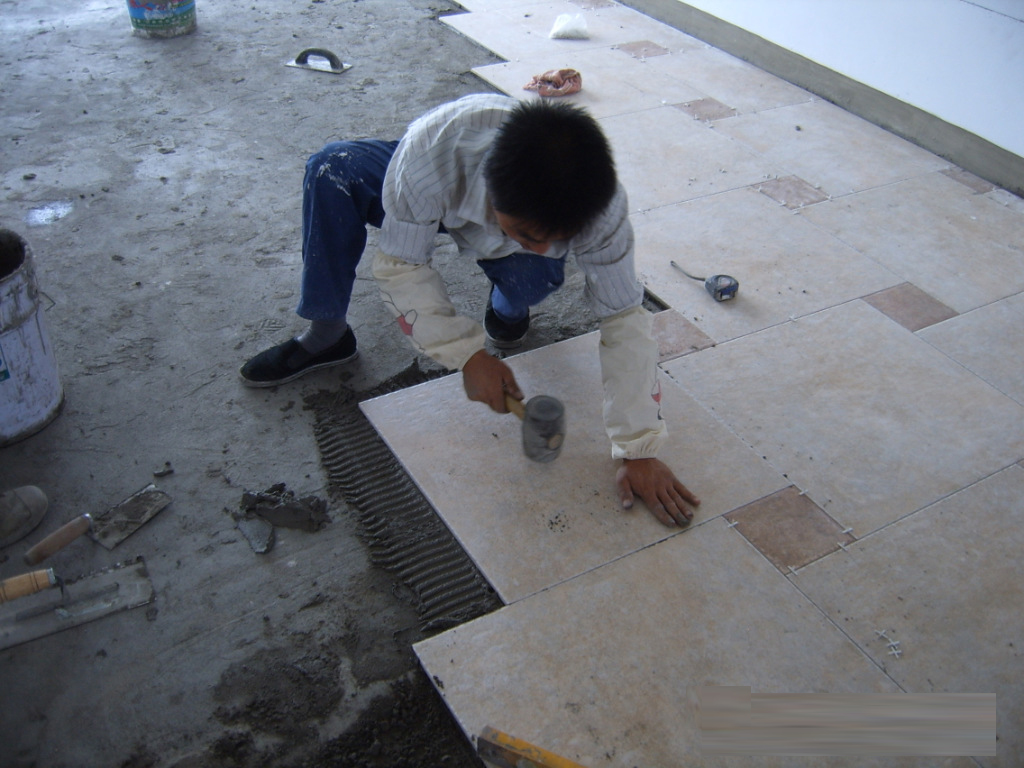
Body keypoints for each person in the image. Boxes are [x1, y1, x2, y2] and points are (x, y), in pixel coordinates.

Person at [240, 94, 700, 526]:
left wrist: (638, 448)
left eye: (558, 240)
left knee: (532, 277)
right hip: (441, 182)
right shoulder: (426, 160)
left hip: (507, 208)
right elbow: (403, 268)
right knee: (331, 169)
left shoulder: (603, 210)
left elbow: (624, 321)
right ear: (491, 198)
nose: (546, 248)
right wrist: (466, 355)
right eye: (528, 234)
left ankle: (507, 309)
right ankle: (328, 334)